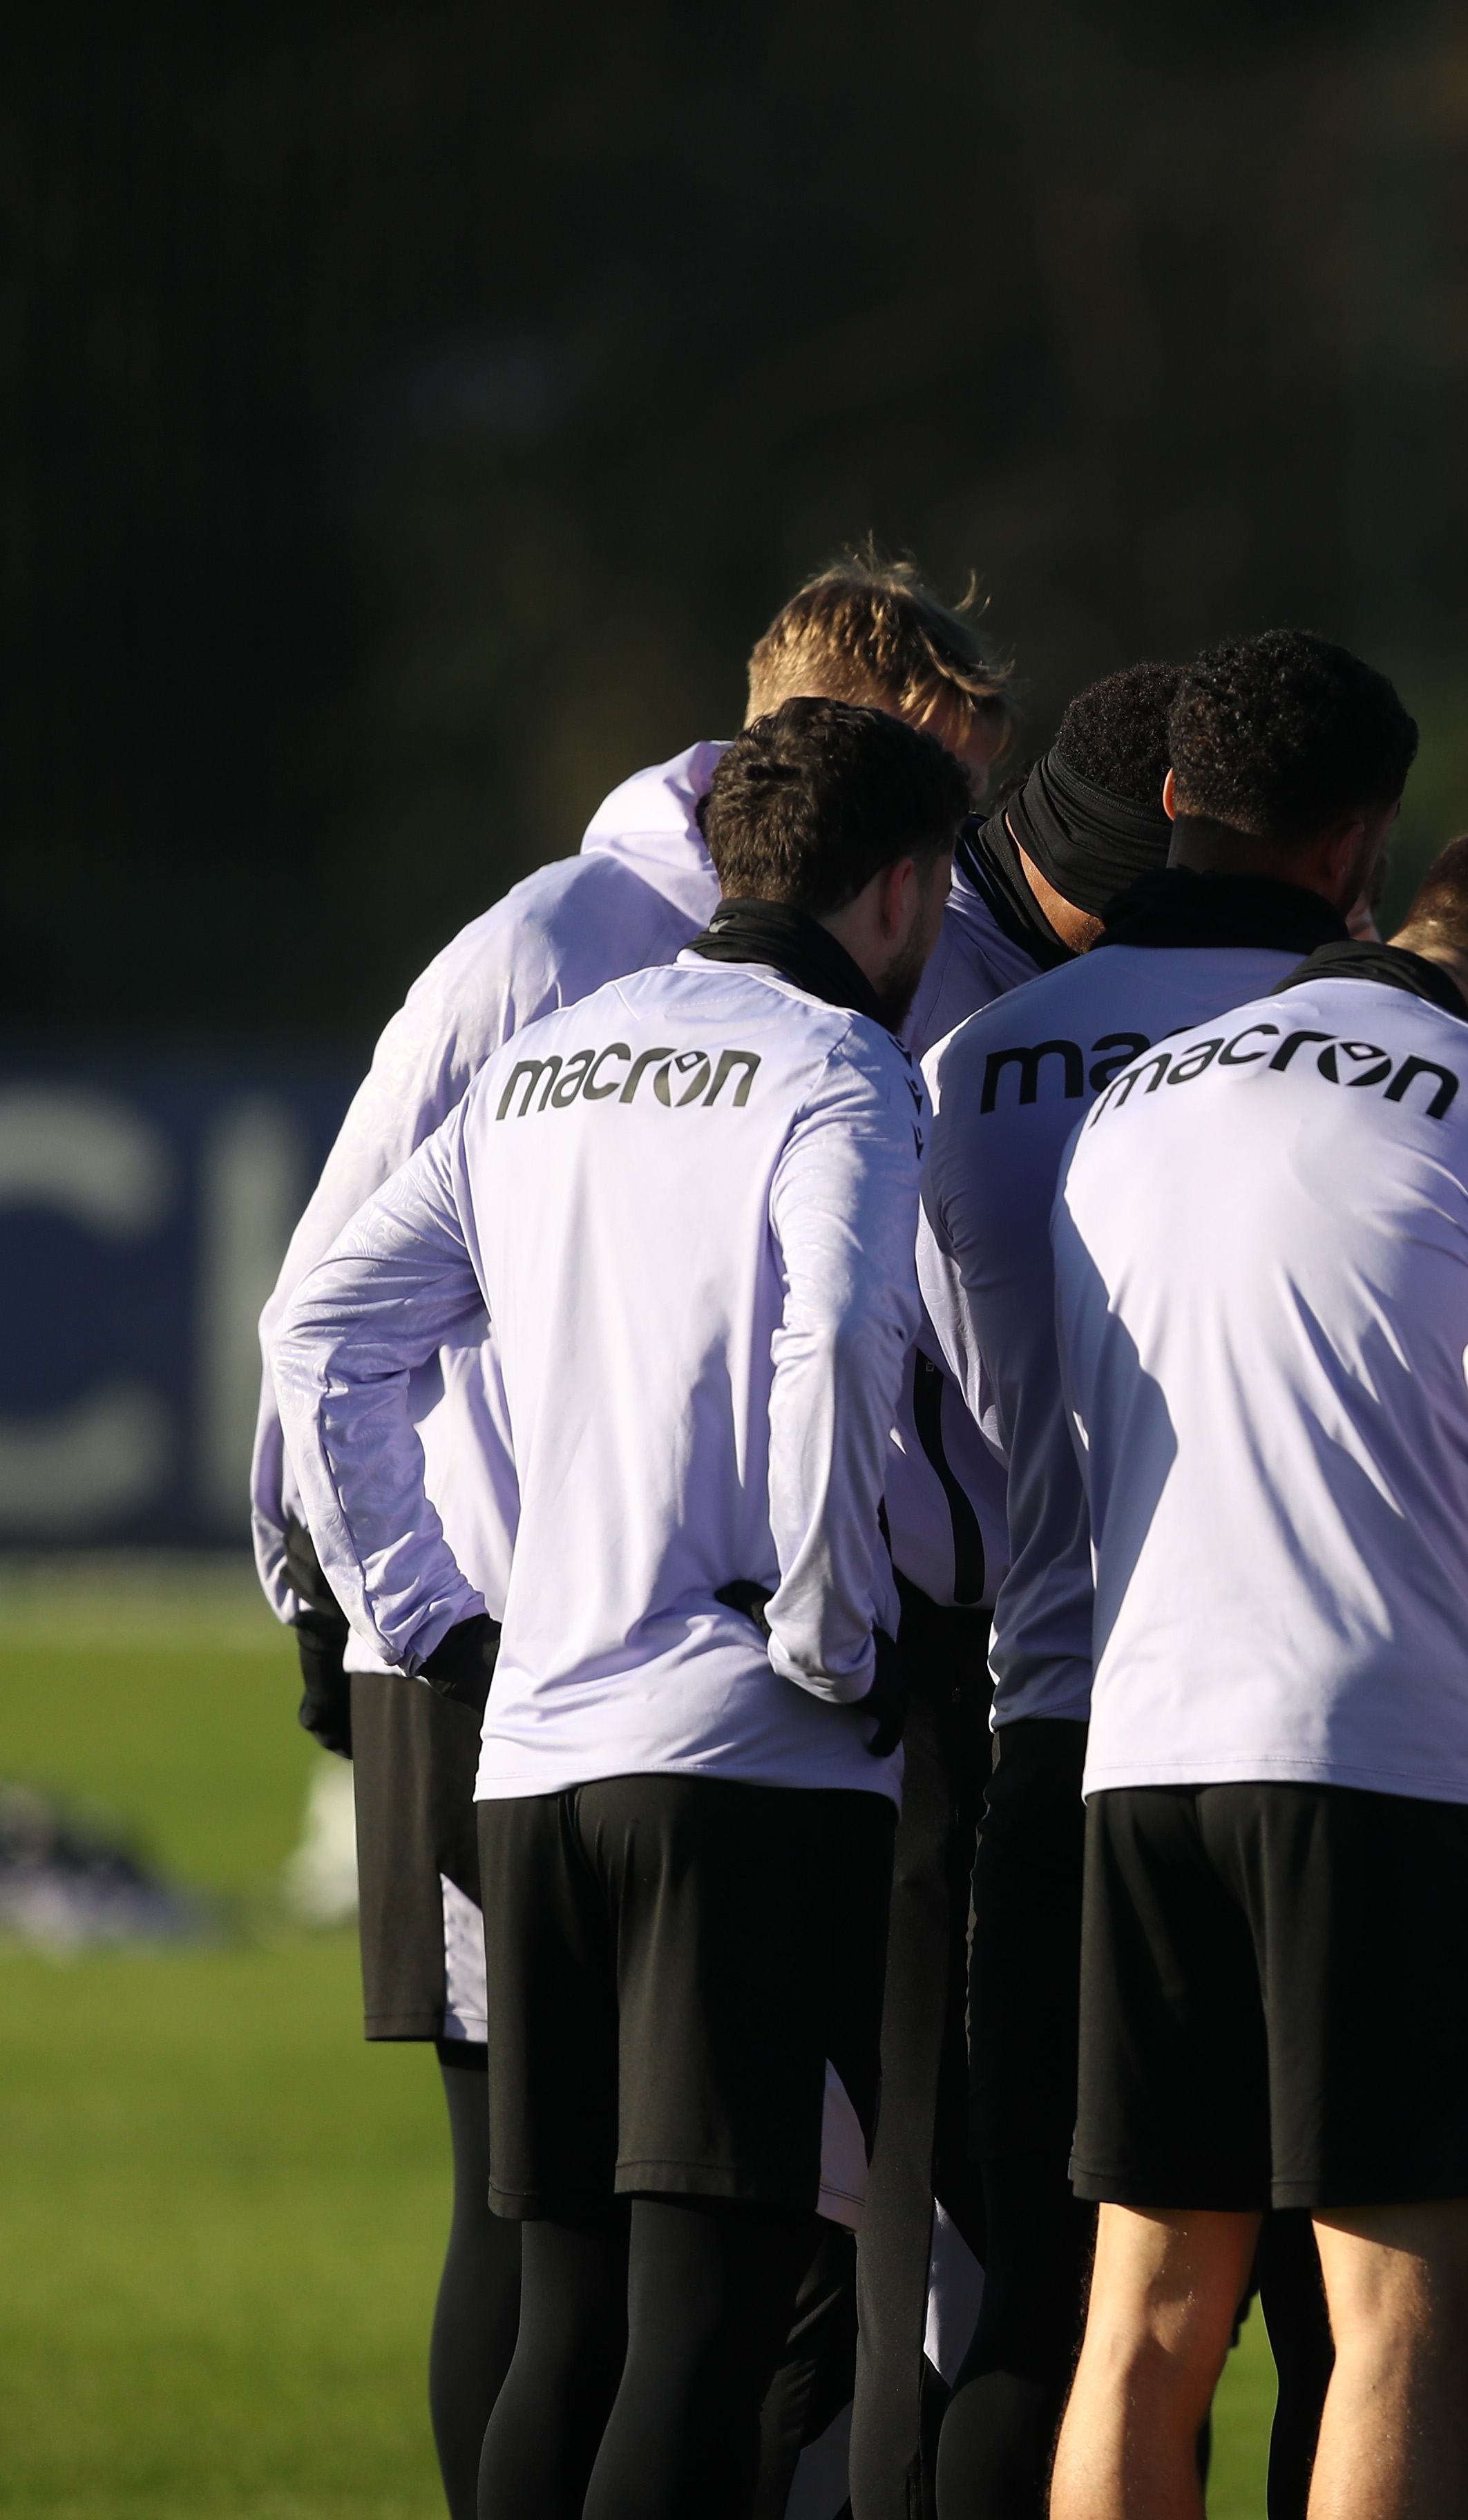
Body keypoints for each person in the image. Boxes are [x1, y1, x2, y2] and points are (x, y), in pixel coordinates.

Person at [246, 557, 1011, 2520]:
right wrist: (844, 1635)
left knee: (561, 2305)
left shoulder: (554, 1053)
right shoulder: (823, 1059)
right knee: (700, 2314)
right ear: (904, 880)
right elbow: (841, 1344)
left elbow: (318, 1316)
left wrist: (418, 1614)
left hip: (535, 1742)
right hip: (734, 1749)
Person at [1046, 825, 1468, 2520]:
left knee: (1143, 2321)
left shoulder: (1138, 1095)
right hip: (1390, 1753)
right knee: (1399, 2322)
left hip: (1143, 1740)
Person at [914, 633, 1409, 2517]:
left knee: (1058, 2301)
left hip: (1057, 1722)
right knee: (1343, 2308)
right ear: (1359, 835)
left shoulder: (978, 1059)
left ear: (1171, 804)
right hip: (1338, 1735)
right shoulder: (1403, 1056)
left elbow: (941, 1411)